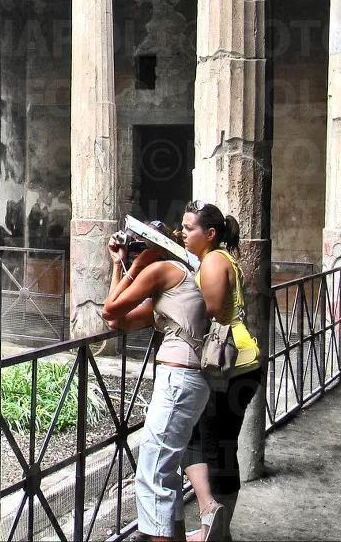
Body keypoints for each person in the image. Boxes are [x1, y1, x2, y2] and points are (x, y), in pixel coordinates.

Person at [102, 228, 210, 542]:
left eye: (141, 246)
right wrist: (118, 265)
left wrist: (134, 267)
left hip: (179, 381)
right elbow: (116, 319)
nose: (136, 252)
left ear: (160, 249)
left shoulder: (166, 271)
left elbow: (109, 308)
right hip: (185, 381)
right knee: (165, 469)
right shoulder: (174, 292)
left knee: (152, 473)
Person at [179, 201, 261, 542]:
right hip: (242, 361)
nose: (181, 233)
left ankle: (214, 523)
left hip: (226, 365)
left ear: (209, 234)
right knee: (221, 446)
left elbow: (206, 311)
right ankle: (218, 528)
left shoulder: (212, 261)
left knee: (207, 444)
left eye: (188, 228)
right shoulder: (221, 258)